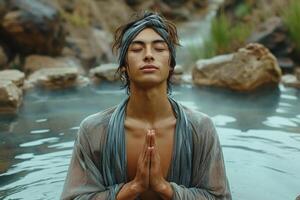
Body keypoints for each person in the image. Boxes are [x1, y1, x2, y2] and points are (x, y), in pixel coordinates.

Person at [61, 11, 231, 200]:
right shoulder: (94, 131)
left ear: (171, 65)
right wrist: (133, 188)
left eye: (159, 48)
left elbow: (219, 197)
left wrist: (165, 188)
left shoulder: (200, 128)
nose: (149, 55)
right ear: (124, 65)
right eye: (136, 49)